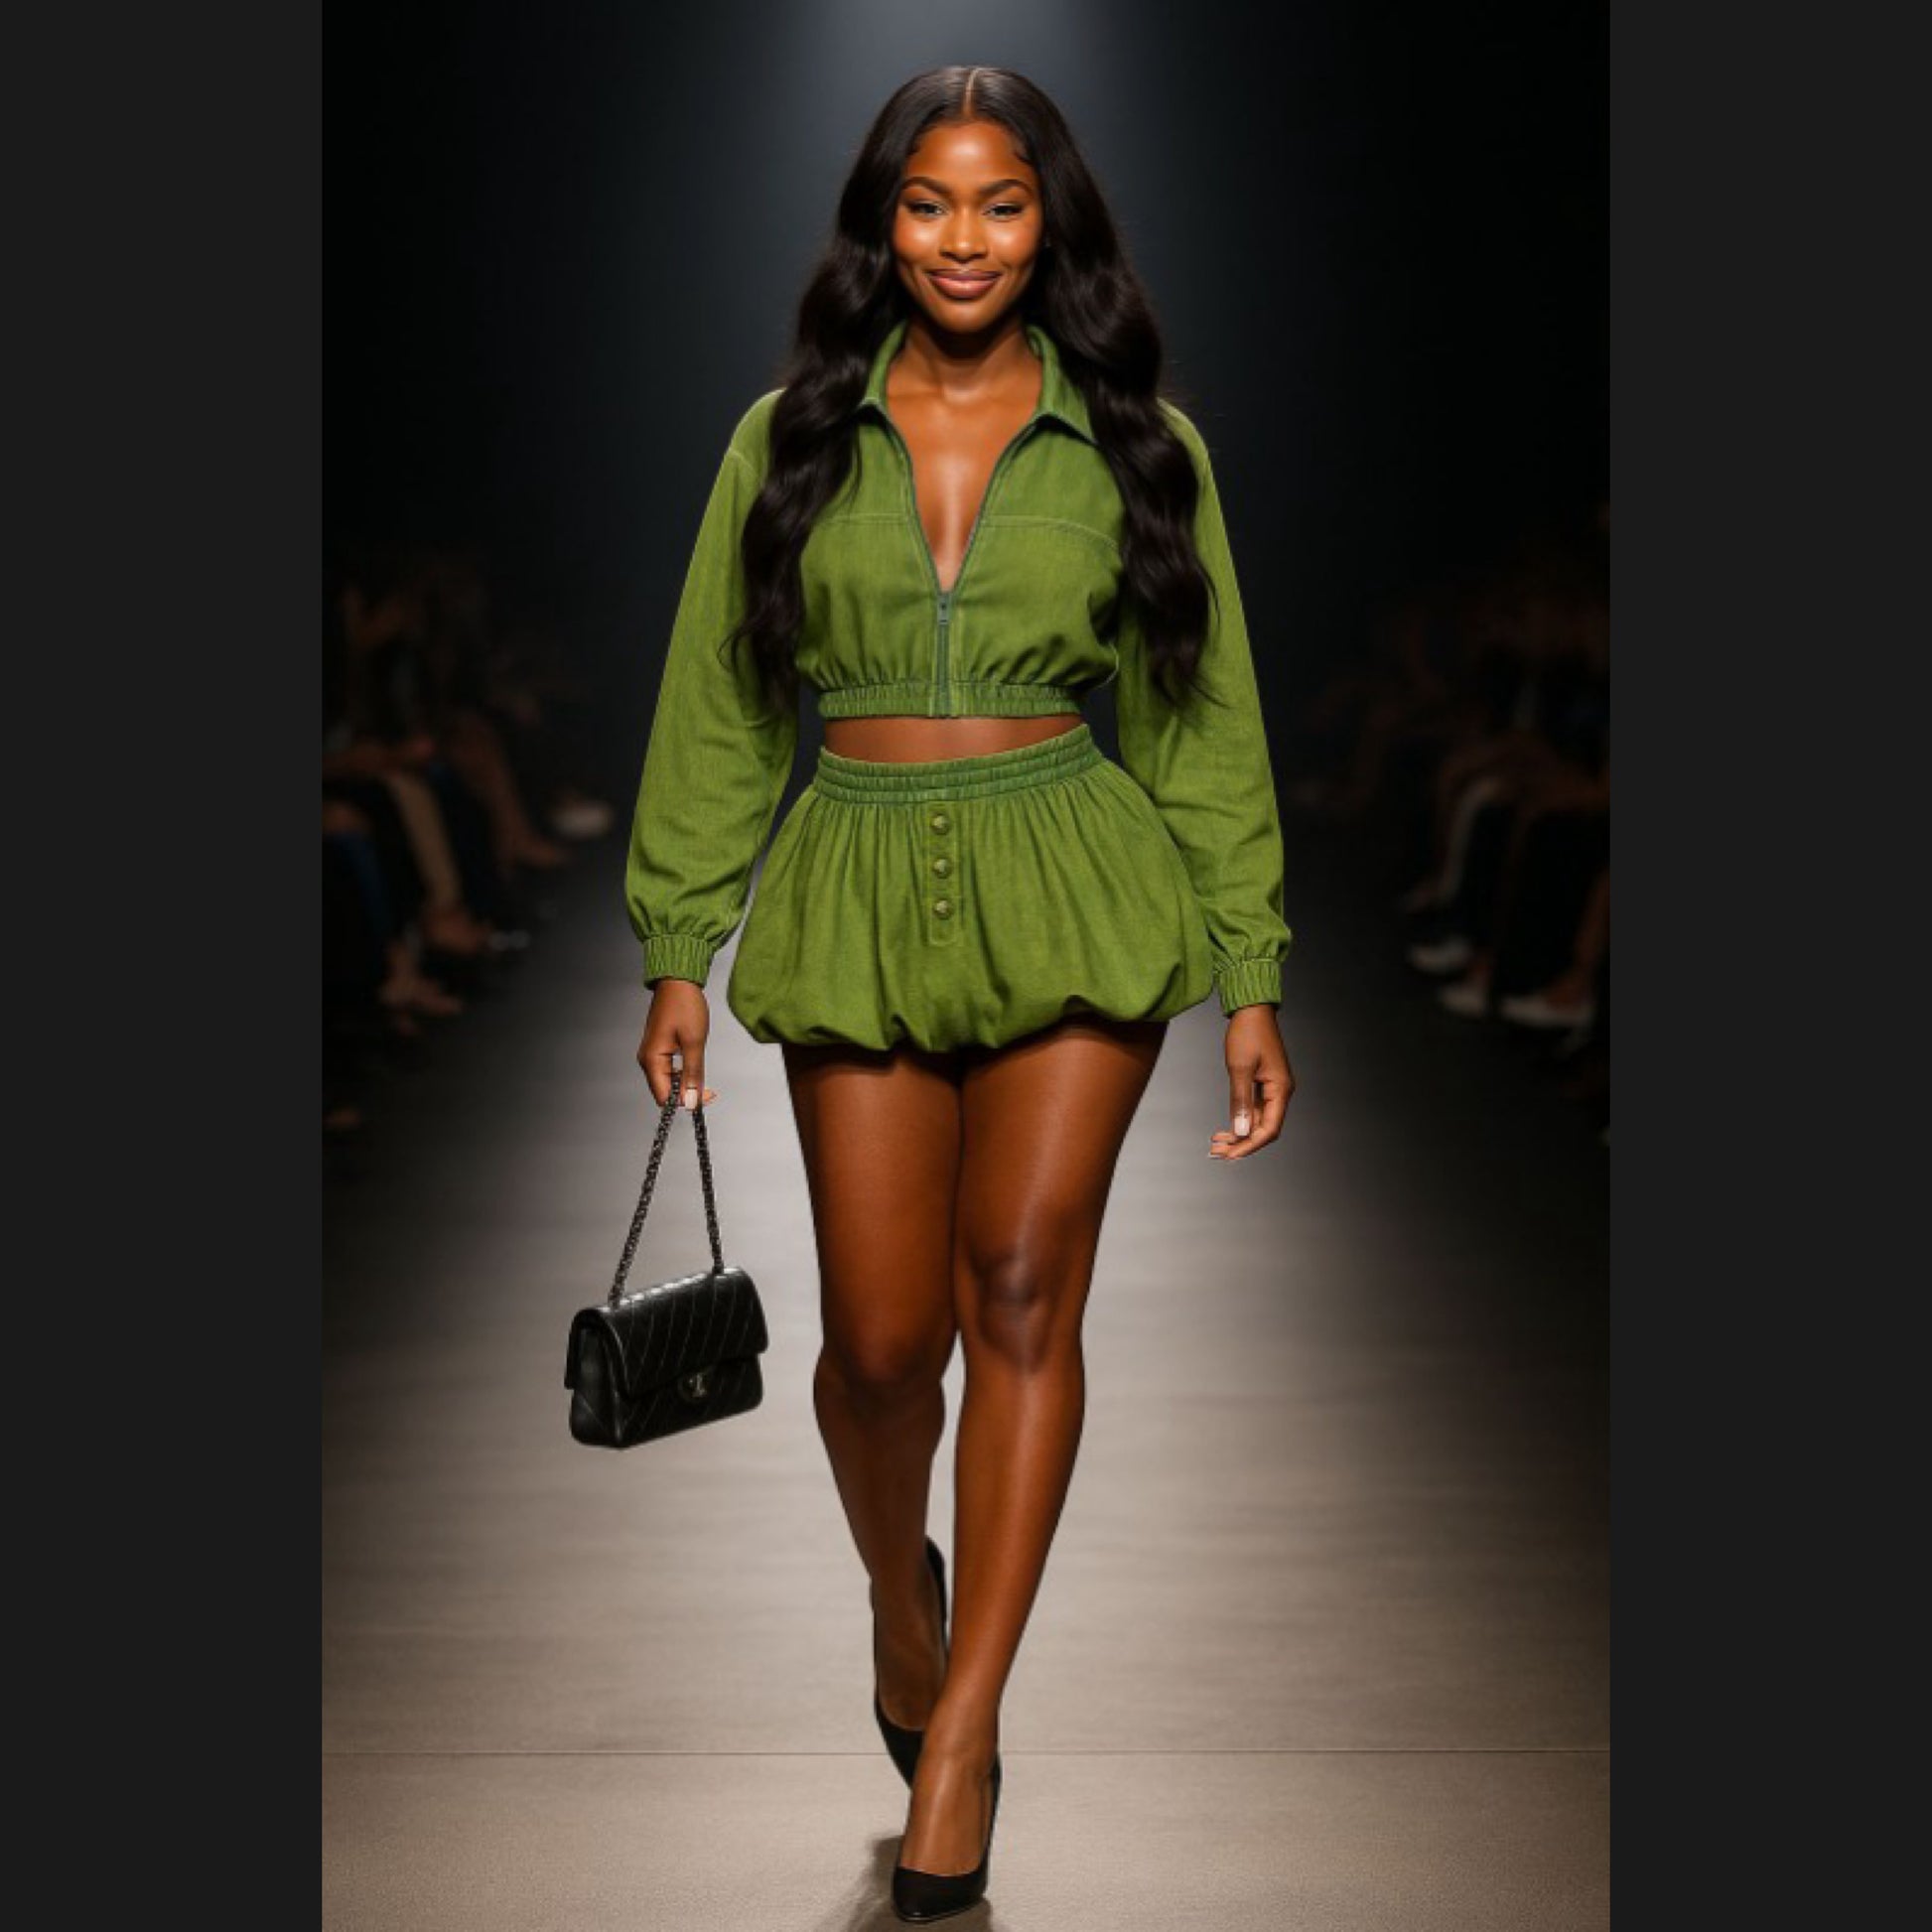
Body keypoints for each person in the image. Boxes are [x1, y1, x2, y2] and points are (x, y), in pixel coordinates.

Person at [622, 67, 1298, 1924]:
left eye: (1001, 202)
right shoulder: (786, 437)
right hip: (852, 876)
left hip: (1073, 874)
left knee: (1019, 1287)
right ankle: (895, 1605)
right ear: (882, 220)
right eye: (929, 202)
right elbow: (718, 697)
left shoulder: (1141, 444)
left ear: (1048, 219)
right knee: (875, 1349)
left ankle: (963, 1733)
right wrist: (678, 938)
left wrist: (1248, 970)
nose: (965, 238)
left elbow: (1202, 718)